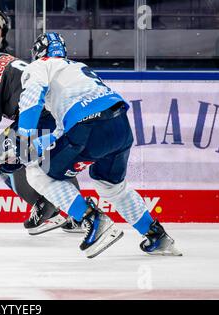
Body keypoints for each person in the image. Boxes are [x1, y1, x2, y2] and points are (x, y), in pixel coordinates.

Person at [15, 32, 182, 258]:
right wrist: (39, 144)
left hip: (89, 127)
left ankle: (92, 219)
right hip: (119, 126)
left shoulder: (39, 66)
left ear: (38, 54)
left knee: (36, 172)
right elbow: (63, 132)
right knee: (111, 186)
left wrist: (23, 142)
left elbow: (33, 96)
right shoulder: (76, 68)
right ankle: (156, 236)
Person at [0, 32, 83, 235]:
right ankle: (82, 215)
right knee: (53, 164)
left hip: (39, 115)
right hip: (65, 112)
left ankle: (46, 210)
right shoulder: (5, 59)